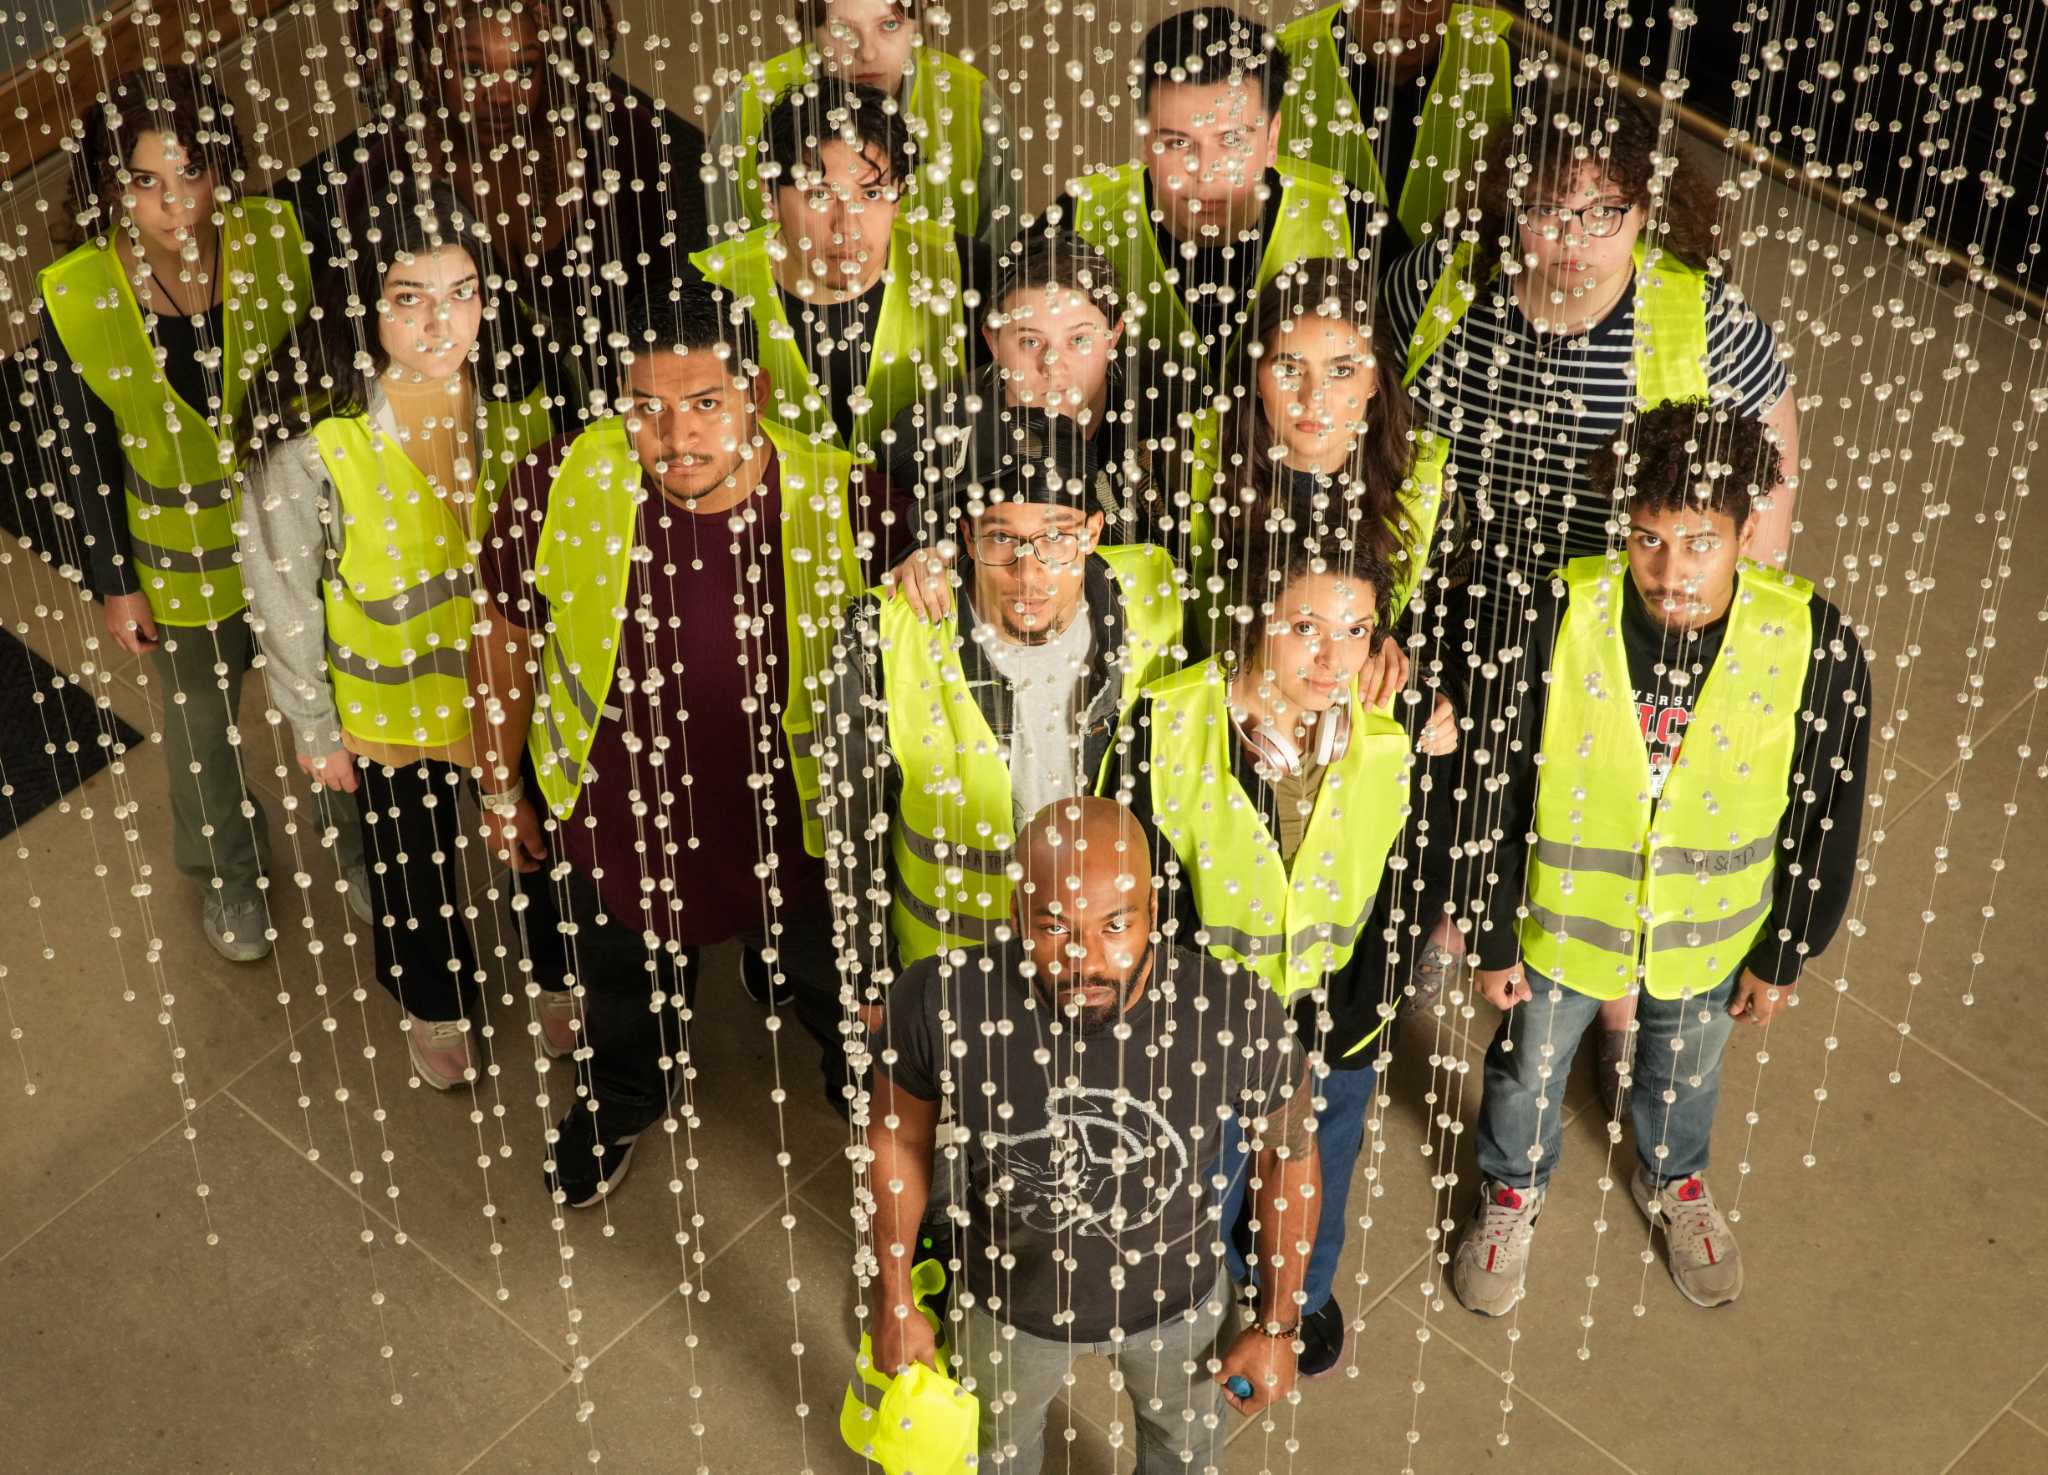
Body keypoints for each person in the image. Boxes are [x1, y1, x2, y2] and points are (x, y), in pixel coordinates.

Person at [469, 285, 914, 1201]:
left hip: (798, 826)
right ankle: (625, 1093)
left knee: (834, 982)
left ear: (751, 390)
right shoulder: (561, 478)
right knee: (621, 986)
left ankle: (862, 1089)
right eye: (648, 408)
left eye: (705, 403)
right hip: (615, 819)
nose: (676, 439)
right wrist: (495, 785)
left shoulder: (848, 496)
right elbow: (504, 635)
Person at [1385, 77, 1800, 1025]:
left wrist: (1733, 603)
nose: (1569, 243)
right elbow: (1382, 428)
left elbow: (1770, 455)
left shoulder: (1698, 316)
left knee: (1600, 775)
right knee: (1452, 747)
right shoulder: (1443, 287)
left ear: (1645, 208)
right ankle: (1456, 905)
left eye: (1601, 213)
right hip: (1465, 582)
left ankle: (1608, 987)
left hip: (1622, 601)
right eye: (1543, 211)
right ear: (1509, 204)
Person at [1447, 401, 1870, 1316]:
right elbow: (1493, 784)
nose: (1669, 570)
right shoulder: (1555, 612)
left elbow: (1827, 814)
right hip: (1560, 924)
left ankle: (1674, 1176)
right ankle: (1511, 1186)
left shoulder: (1816, 642)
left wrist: (1783, 951)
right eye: (1646, 538)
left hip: (1709, 936)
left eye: (1698, 541)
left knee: (1688, 1064)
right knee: (1527, 1068)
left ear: (1747, 529)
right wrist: (1488, 932)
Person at [863, 796, 1324, 1470]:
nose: (1086, 959)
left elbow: (1291, 1154)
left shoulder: (1235, 1009)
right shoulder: (940, 998)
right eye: (1054, 925)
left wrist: (1278, 1322)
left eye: (1116, 924)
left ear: (1154, 915)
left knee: (1184, 1453)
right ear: (1015, 918)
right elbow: (895, 1139)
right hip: (1008, 1306)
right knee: (993, 1454)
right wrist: (893, 1298)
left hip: (1181, 1303)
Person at [33, 63, 368, 961]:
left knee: (333, 683)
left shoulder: (275, 234)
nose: (176, 205)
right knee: (199, 724)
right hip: (175, 545)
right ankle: (228, 872)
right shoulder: (75, 292)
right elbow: (80, 453)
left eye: (193, 174)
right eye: (145, 181)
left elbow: (328, 368)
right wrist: (113, 583)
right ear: (108, 184)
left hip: (298, 523)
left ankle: (368, 844)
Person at [235, 190, 554, 1090]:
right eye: (410, 297)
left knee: (542, 832)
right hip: (392, 700)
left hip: (516, 682)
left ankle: (564, 971)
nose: (441, 321)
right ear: (365, 306)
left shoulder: (523, 395)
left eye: (462, 292)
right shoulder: (317, 437)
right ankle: (433, 997)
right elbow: (280, 583)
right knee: (411, 867)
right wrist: (314, 725)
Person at [1128, 537, 1450, 1378]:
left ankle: (1296, 1294)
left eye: (1356, 630)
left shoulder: (1393, 734)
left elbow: (1411, 885)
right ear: (1252, 618)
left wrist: (1359, 1016)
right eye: (1305, 624)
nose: (1332, 656)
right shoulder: (1165, 727)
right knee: (1206, 1175)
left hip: (1336, 1021)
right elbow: (1147, 904)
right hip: (1206, 1034)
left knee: (1323, 1163)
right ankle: (1196, 1295)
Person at [821, 408, 1184, 1008]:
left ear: (1092, 532)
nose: (1029, 571)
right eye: (1002, 539)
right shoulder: (882, 635)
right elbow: (852, 833)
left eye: (1056, 538)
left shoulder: (1154, 594)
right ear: (966, 536)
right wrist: (870, 981)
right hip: (952, 969)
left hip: (1105, 964)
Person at [275, 0, 712, 415]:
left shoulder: (625, 144)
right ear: (431, 63)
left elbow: (677, 300)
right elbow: (355, 342)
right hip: (486, 419)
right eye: (472, 69)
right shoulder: (382, 181)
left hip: (642, 396)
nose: (501, 95)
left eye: (524, 68)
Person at [1049, 7, 1359, 417]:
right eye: (1177, 143)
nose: (1204, 173)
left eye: (1231, 140)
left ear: (1272, 138)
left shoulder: (1348, 214)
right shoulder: (1078, 216)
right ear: (1144, 142)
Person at [693, 78, 992, 463]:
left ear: (899, 196)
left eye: (871, 194)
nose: (847, 227)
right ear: (770, 197)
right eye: (819, 196)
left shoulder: (967, 271)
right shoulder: (711, 290)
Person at [881, 231, 1139, 542]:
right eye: (1030, 341)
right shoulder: (928, 442)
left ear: (1113, 336)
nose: (1053, 365)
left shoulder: (1168, 417)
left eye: (1079, 340)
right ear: (993, 341)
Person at [707, 0, 1017, 251]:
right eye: (842, 30)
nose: (867, 53)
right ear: (809, 29)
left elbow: (998, 257)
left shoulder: (972, 98)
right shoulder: (751, 101)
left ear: (920, 22)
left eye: (889, 25)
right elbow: (725, 256)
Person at [1274, 1, 1517, 261]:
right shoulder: (1285, 60)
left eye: (1422, 2)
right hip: (1309, 286)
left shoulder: (1500, 60)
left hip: (1455, 287)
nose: (1398, 19)